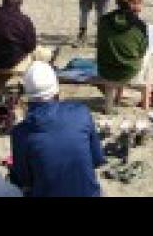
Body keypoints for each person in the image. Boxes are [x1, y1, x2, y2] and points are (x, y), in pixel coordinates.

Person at [10, 61, 106, 197]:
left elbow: (23, 180)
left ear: (27, 95)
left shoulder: (21, 133)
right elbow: (95, 160)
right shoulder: (81, 113)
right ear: (56, 89)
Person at [96, 0, 153, 106]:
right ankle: (145, 102)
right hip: (127, 71)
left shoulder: (104, 20)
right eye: (140, 2)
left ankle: (117, 97)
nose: (141, 6)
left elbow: (101, 43)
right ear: (132, 4)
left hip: (105, 70)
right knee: (148, 60)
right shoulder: (139, 26)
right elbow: (142, 51)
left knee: (119, 52)